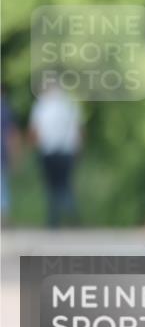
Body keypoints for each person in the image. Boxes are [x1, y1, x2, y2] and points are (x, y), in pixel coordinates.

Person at [28, 82, 82, 228]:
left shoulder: (41, 105)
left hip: (48, 151)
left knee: (52, 186)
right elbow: (77, 130)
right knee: (64, 184)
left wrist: (34, 147)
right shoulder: (70, 105)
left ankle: (54, 219)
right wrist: (78, 150)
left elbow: (35, 130)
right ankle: (71, 217)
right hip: (66, 151)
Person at [1, 84, 23, 225]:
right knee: (2, 186)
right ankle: (4, 218)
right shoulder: (6, 110)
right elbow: (12, 135)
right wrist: (15, 155)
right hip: (2, 154)